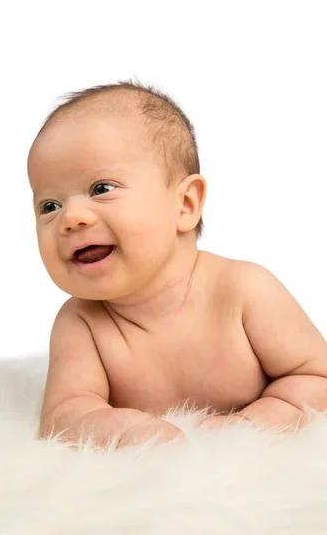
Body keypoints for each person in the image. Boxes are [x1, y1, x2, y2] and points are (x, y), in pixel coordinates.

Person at [27, 80, 327, 449]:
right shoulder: (81, 323)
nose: (71, 217)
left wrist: (255, 425)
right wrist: (121, 430)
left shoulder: (244, 291)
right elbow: (63, 414)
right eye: (49, 206)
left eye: (102, 188)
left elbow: (317, 378)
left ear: (185, 204)